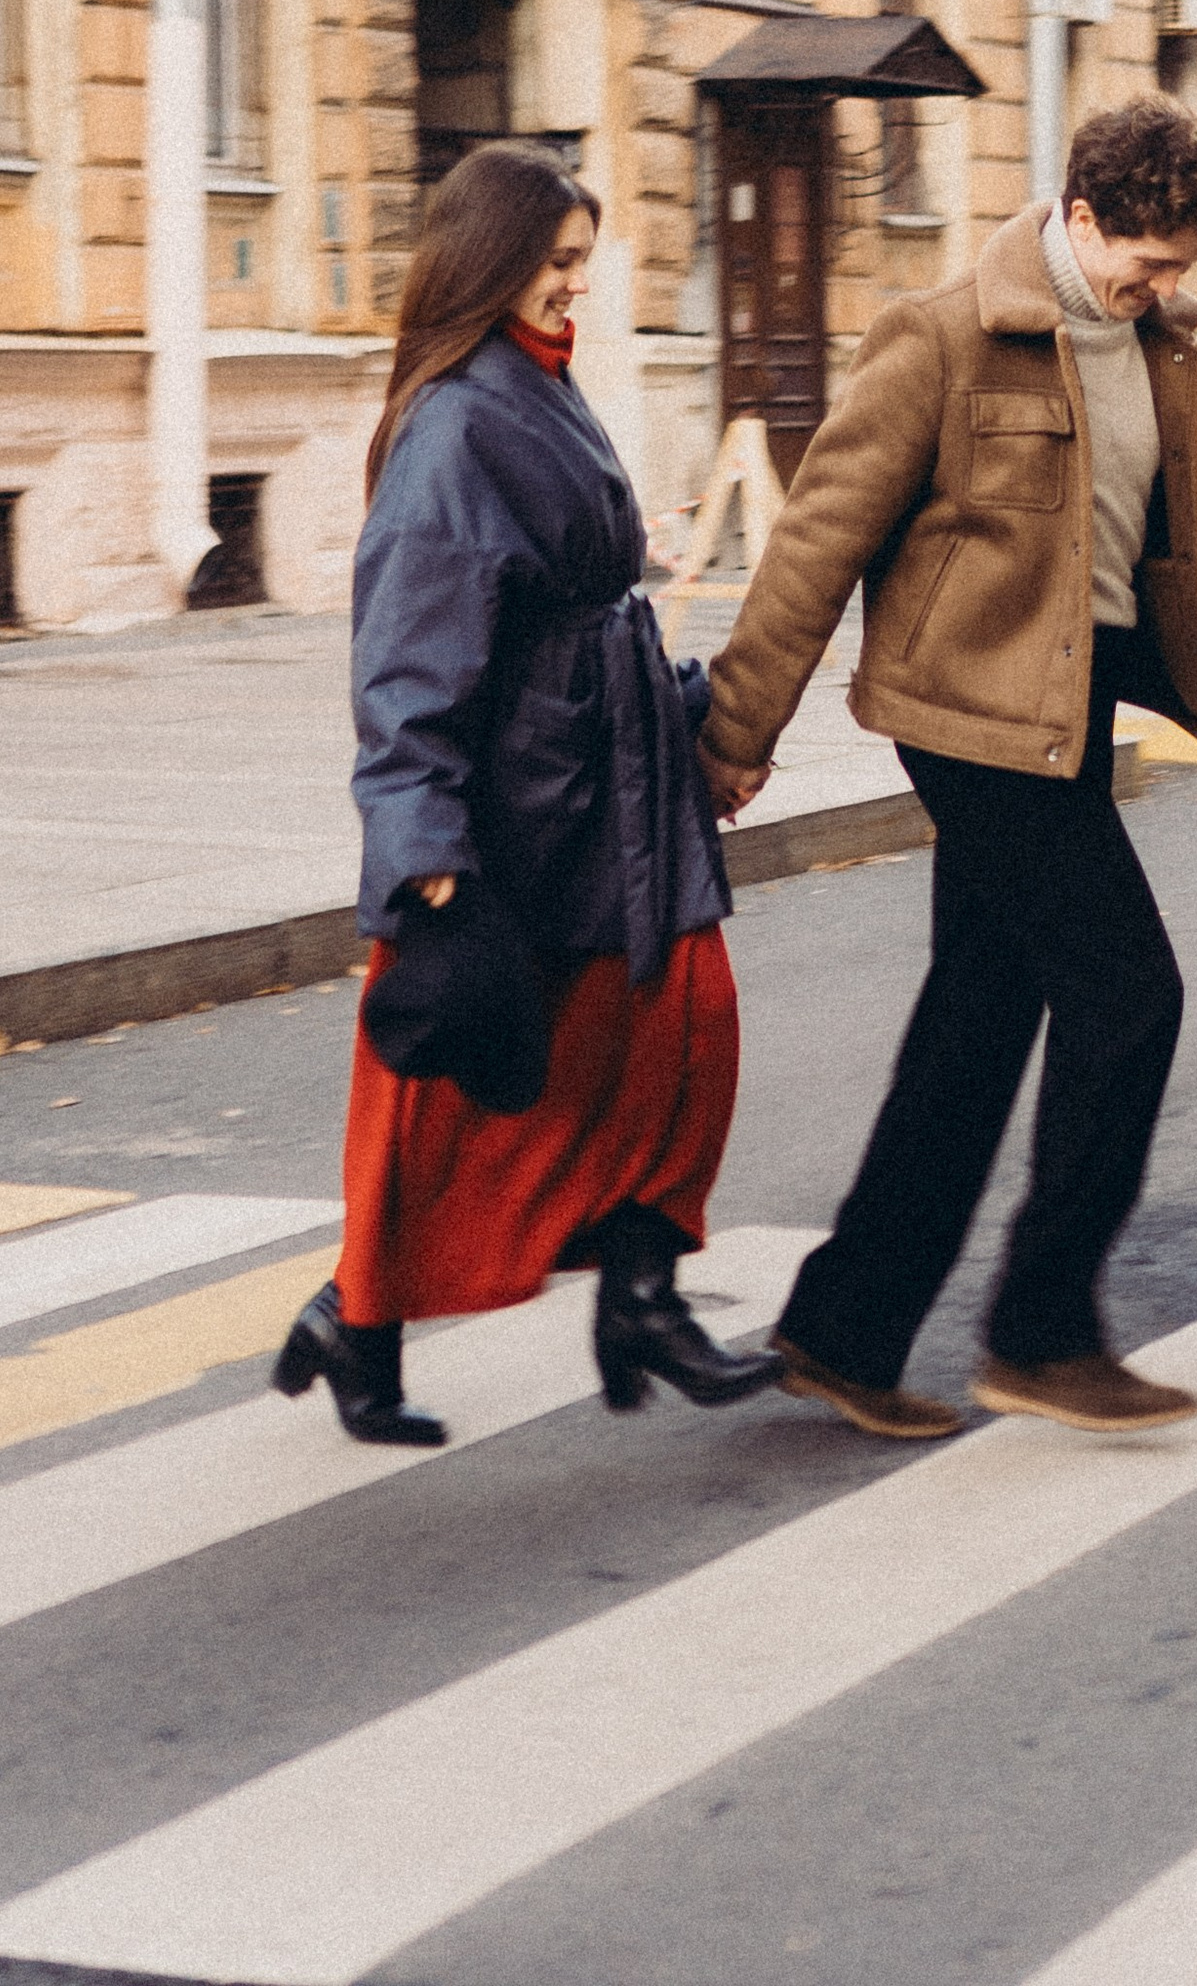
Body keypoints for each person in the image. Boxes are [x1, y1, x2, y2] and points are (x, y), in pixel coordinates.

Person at [700, 94, 1197, 1441]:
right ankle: (1042, 1331)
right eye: (1147, 263)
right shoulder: (946, 339)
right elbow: (815, 543)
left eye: (1183, 270)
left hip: (1061, 727)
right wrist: (734, 735)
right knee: (1132, 996)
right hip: (966, 721)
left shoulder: (1162, 351)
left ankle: (844, 1328)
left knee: (979, 1022)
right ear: (1077, 218)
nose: (1165, 290)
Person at [272, 140, 781, 1447]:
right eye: (558, 266)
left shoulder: (533, 384)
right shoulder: (457, 421)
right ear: (492, 262)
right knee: (444, 1102)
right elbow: (406, 658)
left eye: (583, 264)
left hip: (603, 790)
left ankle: (645, 1298)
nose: (578, 289)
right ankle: (360, 1322)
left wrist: (687, 726)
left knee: (685, 1034)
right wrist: (425, 844)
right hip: (512, 819)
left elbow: (592, 615)